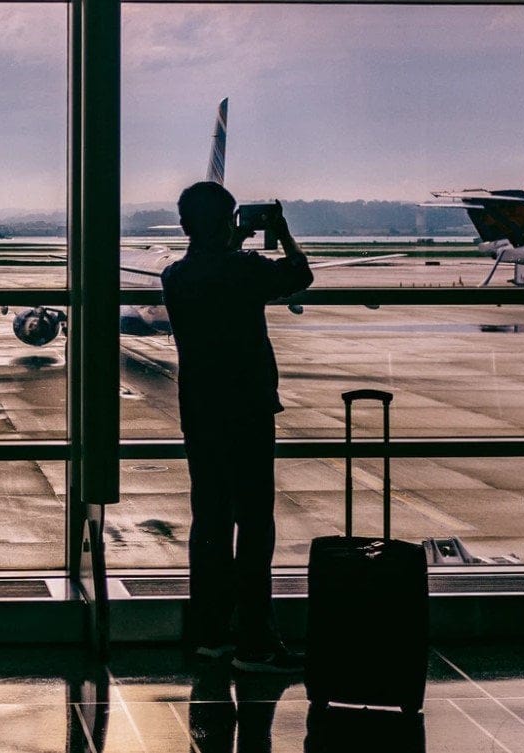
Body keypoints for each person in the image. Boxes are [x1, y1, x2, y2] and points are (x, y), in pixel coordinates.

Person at [161, 182, 313, 673]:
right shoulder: (247, 269)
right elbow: (299, 276)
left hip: (200, 412)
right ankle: (256, 641)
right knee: (253, 524)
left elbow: (207, 264)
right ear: (230, 223)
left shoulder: (175, 277)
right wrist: (281, 232)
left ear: (184, 226)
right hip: (247, 410)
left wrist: (227, 237)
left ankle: (209, 634)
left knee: (209, 521)